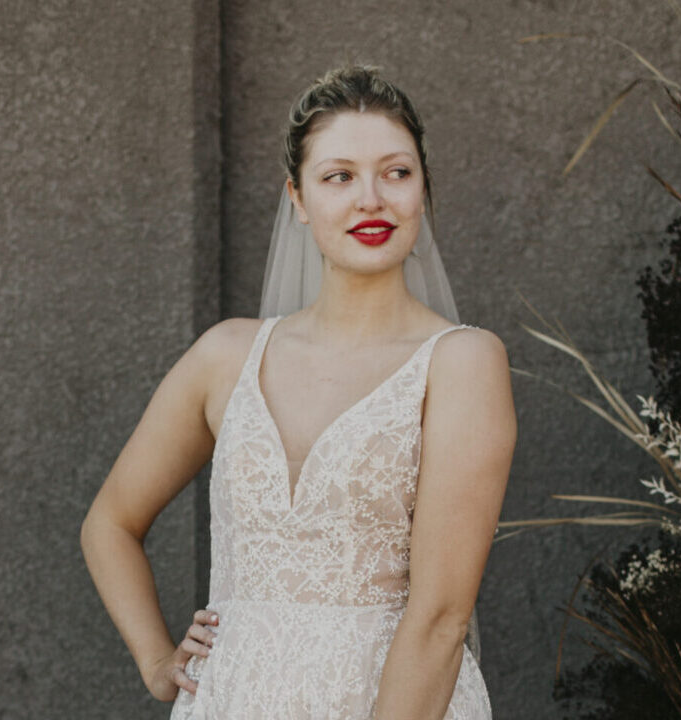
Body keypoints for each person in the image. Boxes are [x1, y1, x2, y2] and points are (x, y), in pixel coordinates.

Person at [80, 65, 515, 719]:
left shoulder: (460, 363)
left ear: (422, 189)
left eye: (395, 172)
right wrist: (156, 662)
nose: (370, 198)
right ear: (298, 197)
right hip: (233, 702)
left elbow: (440, 618)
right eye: (338, 176)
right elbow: (109, 523)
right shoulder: (225, 356)